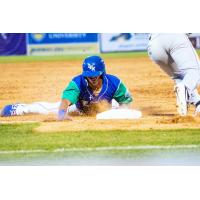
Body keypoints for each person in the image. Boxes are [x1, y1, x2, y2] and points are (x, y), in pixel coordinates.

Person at [0, 55, 133, 120]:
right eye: (88, 76)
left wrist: (123, 111)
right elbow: (65, 101)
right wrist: (62, 114)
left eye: (94, 76)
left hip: (108, 108)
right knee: (47, 109)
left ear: (102, 73)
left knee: (116, 108)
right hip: (78, 108)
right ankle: (16, 109)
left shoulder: (114, 83)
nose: (91, 79)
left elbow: (126, 102)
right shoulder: (78, 82)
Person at [147, 33, 200, 116]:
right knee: (195, 71)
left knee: (180, 77)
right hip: (174, 37)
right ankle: (184, 88)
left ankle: (198, 104)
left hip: (153, 45)